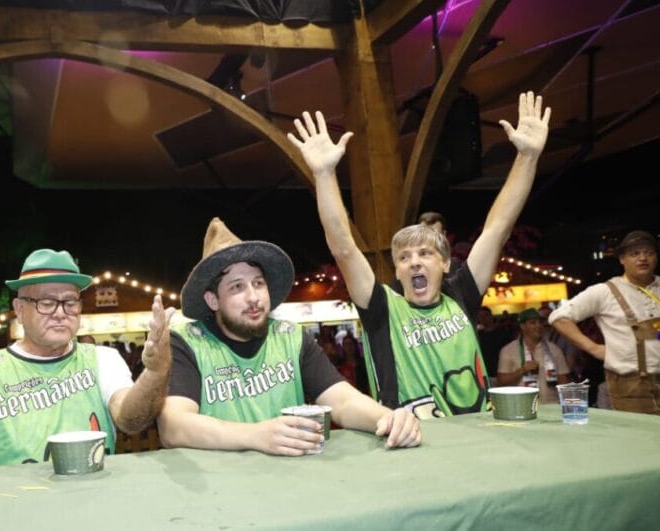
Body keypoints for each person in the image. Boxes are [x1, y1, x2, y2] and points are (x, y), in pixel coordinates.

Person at [289, 92, 551, 418]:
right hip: (411, 439)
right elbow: (343, 247)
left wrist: (527, 156)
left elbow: (498, 229)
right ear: (397, 271)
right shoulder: (382, 307)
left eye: (425, 253)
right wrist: (325, 174)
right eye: (404, 257)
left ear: (445, 263)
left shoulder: (461, 293)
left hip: (478, 434)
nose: (413, 261)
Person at [157, 218, 420, 456]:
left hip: (290, 481)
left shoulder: (290, 337)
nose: (253, 297)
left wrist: (387, 418)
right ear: (212, 299)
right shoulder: (187, 342)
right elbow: (172, 427)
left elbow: (343, 401)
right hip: (222, 485)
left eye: (258, 283)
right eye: (237, 287)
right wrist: (256, 435)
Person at [0, 249, 174, 466]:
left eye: (69, 302)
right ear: (19, 310)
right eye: (47, 303)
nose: (60, 313)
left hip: (93, 495)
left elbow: (131, 421)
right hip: (12, 499)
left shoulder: (103, 359)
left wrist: (156, 371)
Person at [550, 230, 660, 414]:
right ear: (622, 259)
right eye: (634, 254)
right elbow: (559, 318)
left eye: (649, 253)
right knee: (637, 432)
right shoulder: (605, 291)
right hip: (630, 385)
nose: (643, 258)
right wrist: (593, 348)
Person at [496, 308, 569, 403]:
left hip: (551, 405)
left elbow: (563, 381)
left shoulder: (554, 349)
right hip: (521, 406)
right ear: (522, 326)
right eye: (533, 323)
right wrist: (522, 370)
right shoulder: (508, 350)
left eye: (540, 322)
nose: (538, 326)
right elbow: (501, 381)